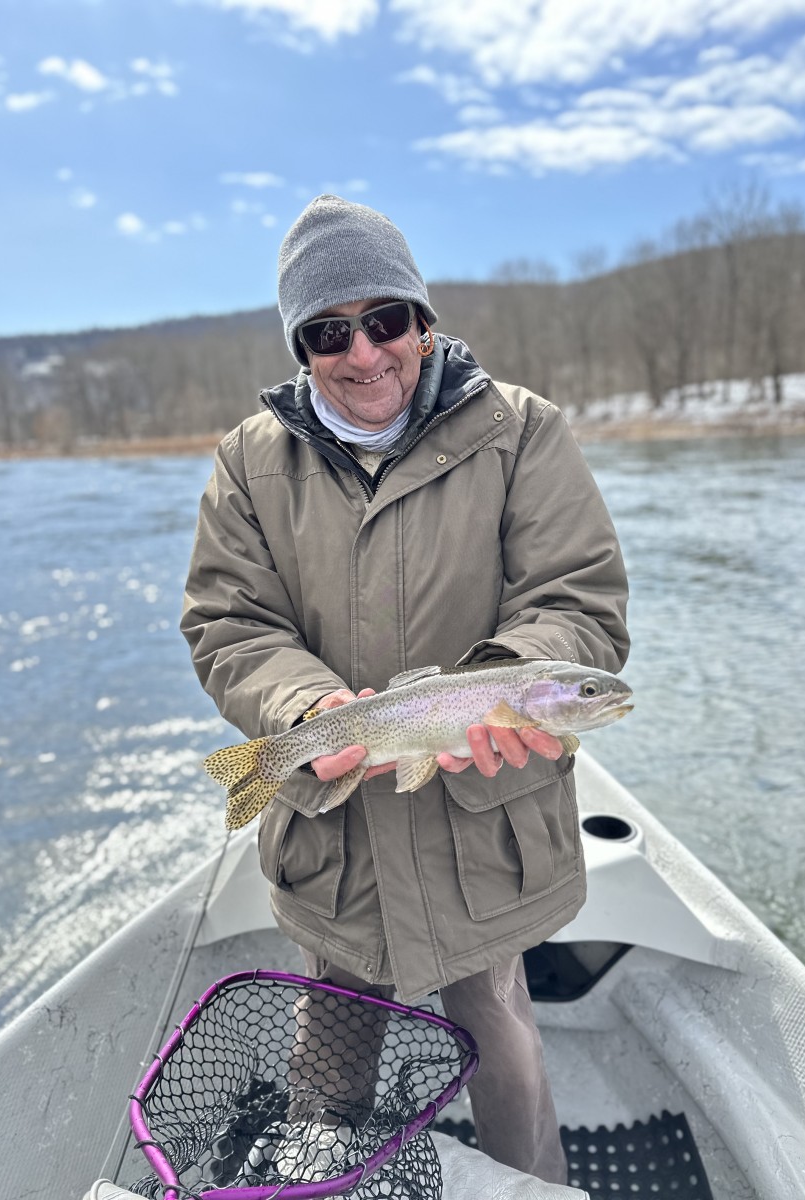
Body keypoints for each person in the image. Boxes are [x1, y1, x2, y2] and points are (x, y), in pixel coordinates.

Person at [181, 194, 629, 1185]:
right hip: (334, 827)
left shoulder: (523, 432)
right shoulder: (248, 466)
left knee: (499, 1016)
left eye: (387, 320)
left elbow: (580, 600)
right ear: (302, 347)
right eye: (330, 331)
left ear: (424, 322)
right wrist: (302, 713)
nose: (365, 352)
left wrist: (510, 685)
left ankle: (531, 1182)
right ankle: (319, 1170)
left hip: (487, 832)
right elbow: (228, 623)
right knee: (334, 1011)